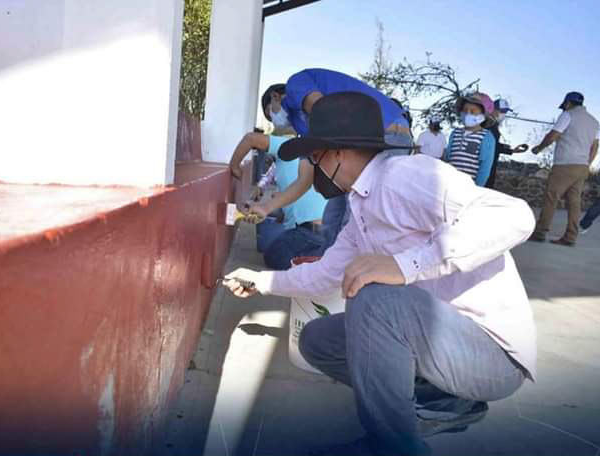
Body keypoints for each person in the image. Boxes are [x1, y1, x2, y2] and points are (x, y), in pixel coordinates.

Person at [224, 92, 537, 456]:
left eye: (315, 156)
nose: (314, 167)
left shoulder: (405, 175)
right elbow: (325, 274)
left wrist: (406, 265)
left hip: (492, 355)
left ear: (338, 152)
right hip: (440, 339)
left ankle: (393, 447)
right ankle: (447, 402)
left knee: (373, 296)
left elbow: (515, 216)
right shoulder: (361, 204)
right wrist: (260, 281)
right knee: (317, 341)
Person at [258, 69, 412, 251]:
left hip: (387, 131)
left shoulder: (296, 84)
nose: (274, 120)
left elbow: (323, 108)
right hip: (359, 140)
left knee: (356, 213)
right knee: (333, 216)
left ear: (276, 97)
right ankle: (330, 266)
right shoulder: (300, 123)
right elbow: (303, 181)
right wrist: (265, 208)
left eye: (271, 113)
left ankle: (357, 271)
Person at [229, 131, 327, 270]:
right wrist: (270, 210)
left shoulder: (285, 145)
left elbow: (250, 138)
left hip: (311, 231)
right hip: (322, 230)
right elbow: (296, 196)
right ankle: (321, 259)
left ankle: (318, 264)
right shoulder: (299, 160)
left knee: (273, 256)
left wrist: (234, 166)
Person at [529, 91, 599, 246]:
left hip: (565, 164)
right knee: (574, 202)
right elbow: (595, 147)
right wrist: (587, 164)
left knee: (551, 197)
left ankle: (540, 233)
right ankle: (570, 237)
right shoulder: (594, 122)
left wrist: (539, 148)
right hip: (582, 166)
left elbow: (553, 135)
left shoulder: (568, 115)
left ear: (567, 103)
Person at [442, 93, 497, 186]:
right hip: (447, 184)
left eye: (473, 111)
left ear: (483, 116)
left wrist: (476, 189)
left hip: (468, 187)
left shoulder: (486, 137)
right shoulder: (455, 133)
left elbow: (485, 168)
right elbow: (447, 158)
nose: (468, 114)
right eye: (465, 110)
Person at [485, 98, 530, 189]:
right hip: (486, 165)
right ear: (493, 110)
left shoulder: (493, 125)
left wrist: (511, 150)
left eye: (505, 112)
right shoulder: (488, 125)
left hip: (490, 164)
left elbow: (494, 145)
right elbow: (491, 146)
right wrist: (509, 150)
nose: (503, 115)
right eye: (502, 111)